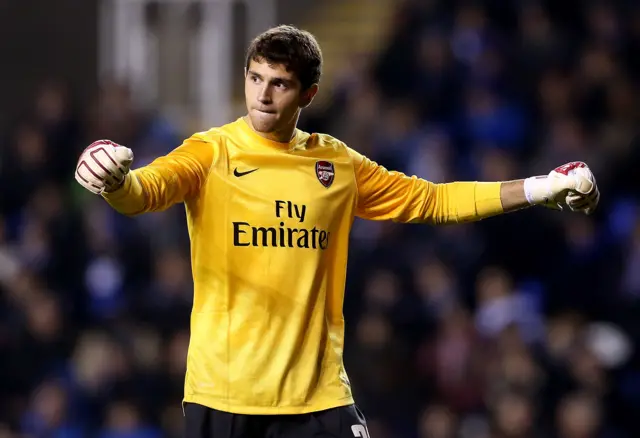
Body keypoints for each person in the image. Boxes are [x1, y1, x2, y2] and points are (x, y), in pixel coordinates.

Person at [74, 25, 600, 438]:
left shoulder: (337, 165)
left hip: (317, 399)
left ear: (308, 93)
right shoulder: (211, 152)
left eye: (279, 83)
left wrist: (536, 188)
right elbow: (146, 192)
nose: (262, 95)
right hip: (223, 396)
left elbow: (433, 200)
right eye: (255, 78)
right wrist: (114, 181)